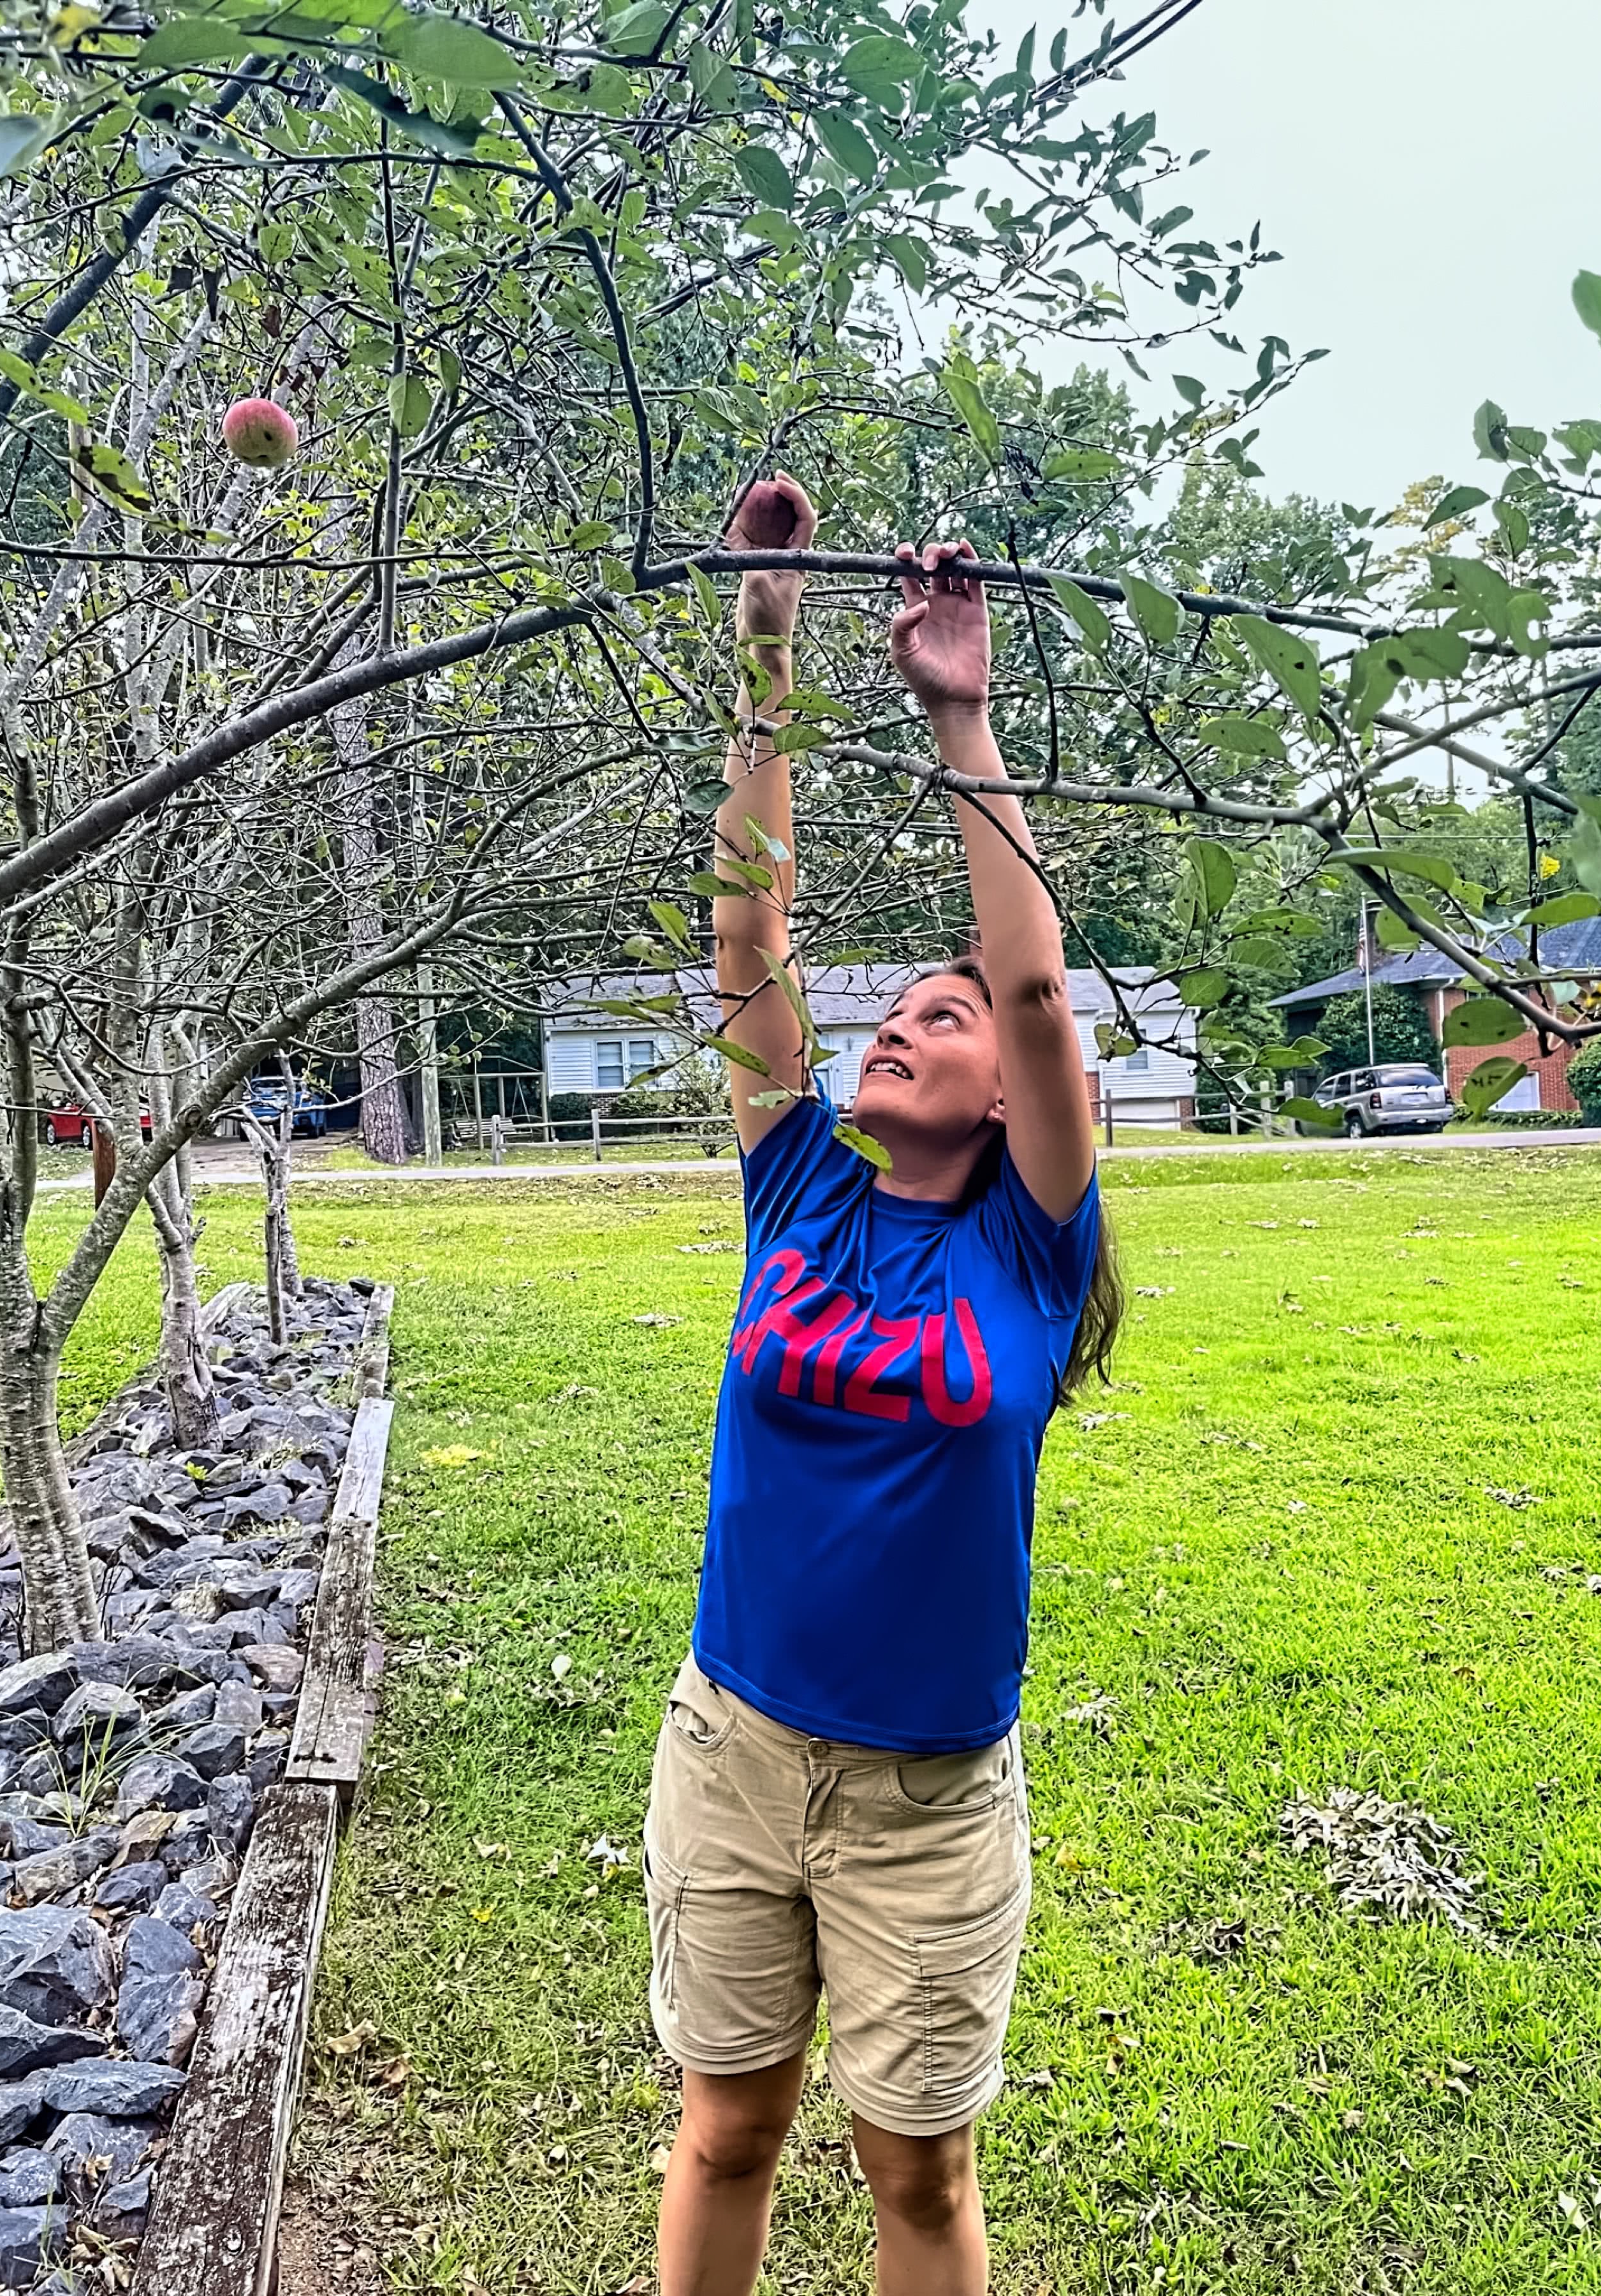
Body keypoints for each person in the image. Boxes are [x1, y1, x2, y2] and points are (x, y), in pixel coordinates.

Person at [645, 471, 1123, 2296]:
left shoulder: (1030, 1247)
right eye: (889, 1011)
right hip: (735, 1750)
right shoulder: (794, 1193)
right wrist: (764, 646)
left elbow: (1027, 985)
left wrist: (956, 710)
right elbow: (744, 945)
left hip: (928, 1798)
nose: (894, 1026)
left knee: (914, 2179)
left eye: (933, 1019)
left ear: (1003, 1091)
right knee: (725, 2129)